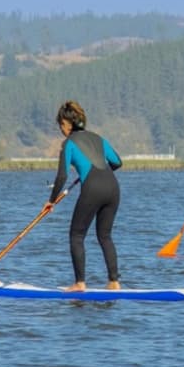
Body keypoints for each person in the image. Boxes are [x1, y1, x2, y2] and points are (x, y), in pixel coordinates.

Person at [46, 100, 123, 291]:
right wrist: (98, 171)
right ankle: (114, 282)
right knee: (105, 236)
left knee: (76, 235)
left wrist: (51, 201)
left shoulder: (68, 144)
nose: (61, 130)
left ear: (67, 123)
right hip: (113, 187)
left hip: (93, 189)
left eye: (61, 126)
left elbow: (62, 175)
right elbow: (117, 162)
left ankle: (80, 283)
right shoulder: (99, 138)